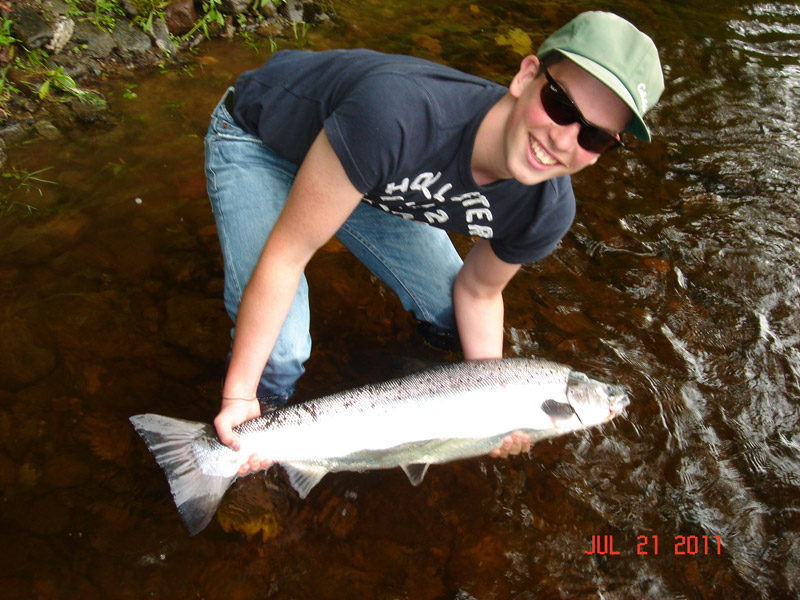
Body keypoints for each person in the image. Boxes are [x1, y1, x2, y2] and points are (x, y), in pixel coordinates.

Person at [204, 11, 664, 475]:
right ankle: (247, 443)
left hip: (366, 177)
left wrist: (494, 412)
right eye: (560, 105)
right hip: (263, 143)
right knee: (280, 354)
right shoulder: (398, 114)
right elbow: (287, 257)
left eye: (595, 136)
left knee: (451, 317)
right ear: (526, 77)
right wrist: (238, 393)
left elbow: (480, 292)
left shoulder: (546, 210)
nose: (563, 139)